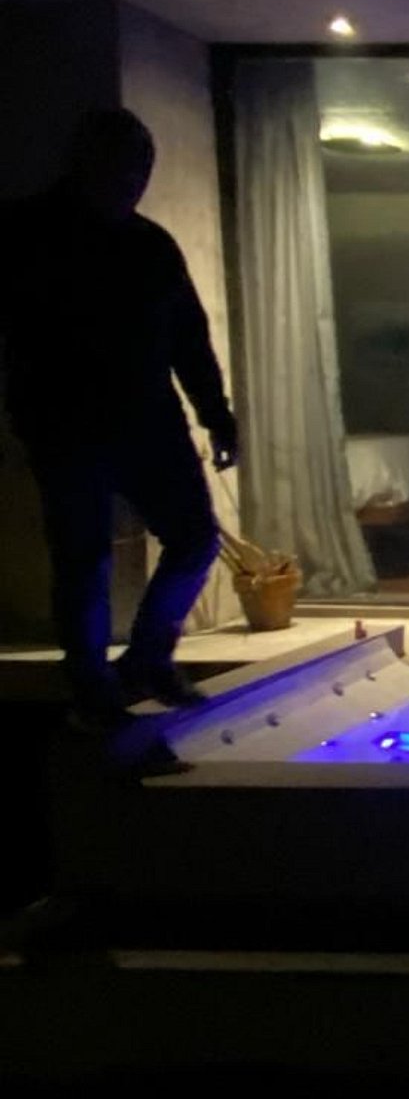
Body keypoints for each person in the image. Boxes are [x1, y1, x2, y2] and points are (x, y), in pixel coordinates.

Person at [0, 109, 239, 729]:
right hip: (66, 424)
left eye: (142, 168)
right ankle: (92, 684)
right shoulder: (25, 233)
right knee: (84, 559)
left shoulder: (150, 245)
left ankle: (146, 659)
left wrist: (217, 415)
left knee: (194, 538)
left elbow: (189, 338)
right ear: (85, 162)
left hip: (147, 421)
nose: (134, 179)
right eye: (124, 166)